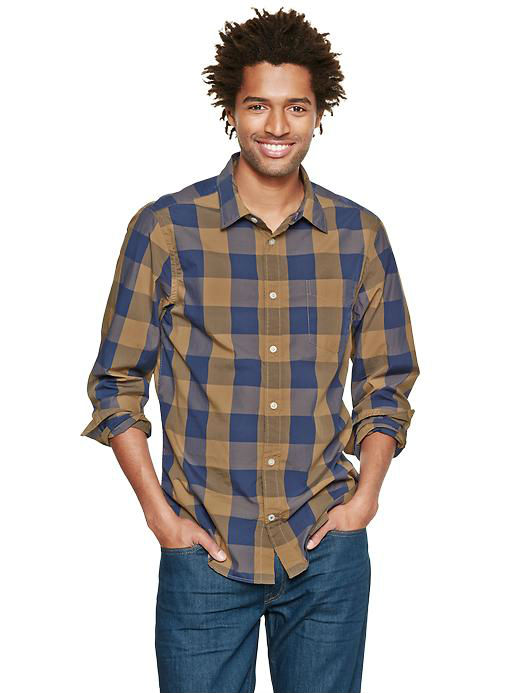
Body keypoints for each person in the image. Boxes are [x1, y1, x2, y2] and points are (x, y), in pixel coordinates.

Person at [80, 7, 420, 693]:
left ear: (318, 113)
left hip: (325, 550)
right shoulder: (166, 228)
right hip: (204, 549)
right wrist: (159, 516)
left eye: (296, 107)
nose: (277, 126)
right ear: (231, 110)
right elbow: (116, 382)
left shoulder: (358, 235)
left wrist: (365, 500)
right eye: (259, 105)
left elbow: (386, 381)